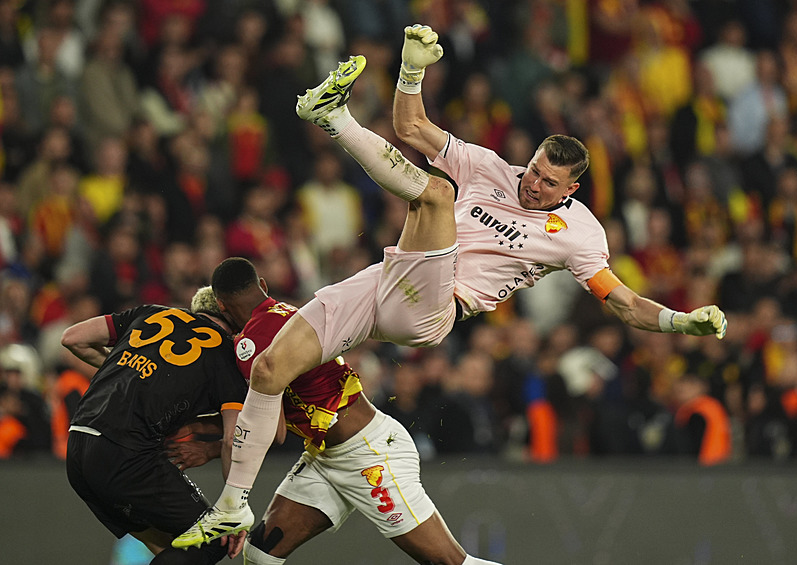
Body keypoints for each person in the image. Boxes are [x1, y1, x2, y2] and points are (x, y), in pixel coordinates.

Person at [175, 24, 728, 546]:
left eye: (548, 183)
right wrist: (411, 71)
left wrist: (680, 322)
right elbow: (411, 128)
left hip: (435, 309)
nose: (532, 184)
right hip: (390, 278)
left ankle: (334, 117)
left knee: (436, 195)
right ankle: (231, 504)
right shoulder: (491, 168)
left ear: (572, 189)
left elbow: (624, 303)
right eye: (534, 170)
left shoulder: (580, 235)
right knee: (272, 367)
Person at [174, 257, 501, 564]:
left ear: (221, 305)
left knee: (449, 561)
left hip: (370, 455)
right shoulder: (294, 314)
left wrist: (211, 447)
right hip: (325, 457)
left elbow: (273, 430)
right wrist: (211, 433)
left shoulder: (248, 347)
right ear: (262, 284)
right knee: (260, 553)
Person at [61, 294, 250, 564]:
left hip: (77, 444)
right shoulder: (225, 352)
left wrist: (127, 371)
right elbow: (234, 437)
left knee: (170, 547)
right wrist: (233, 509)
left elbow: (73, 338)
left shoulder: (151, 312)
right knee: (215, 537)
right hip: (125, 452)